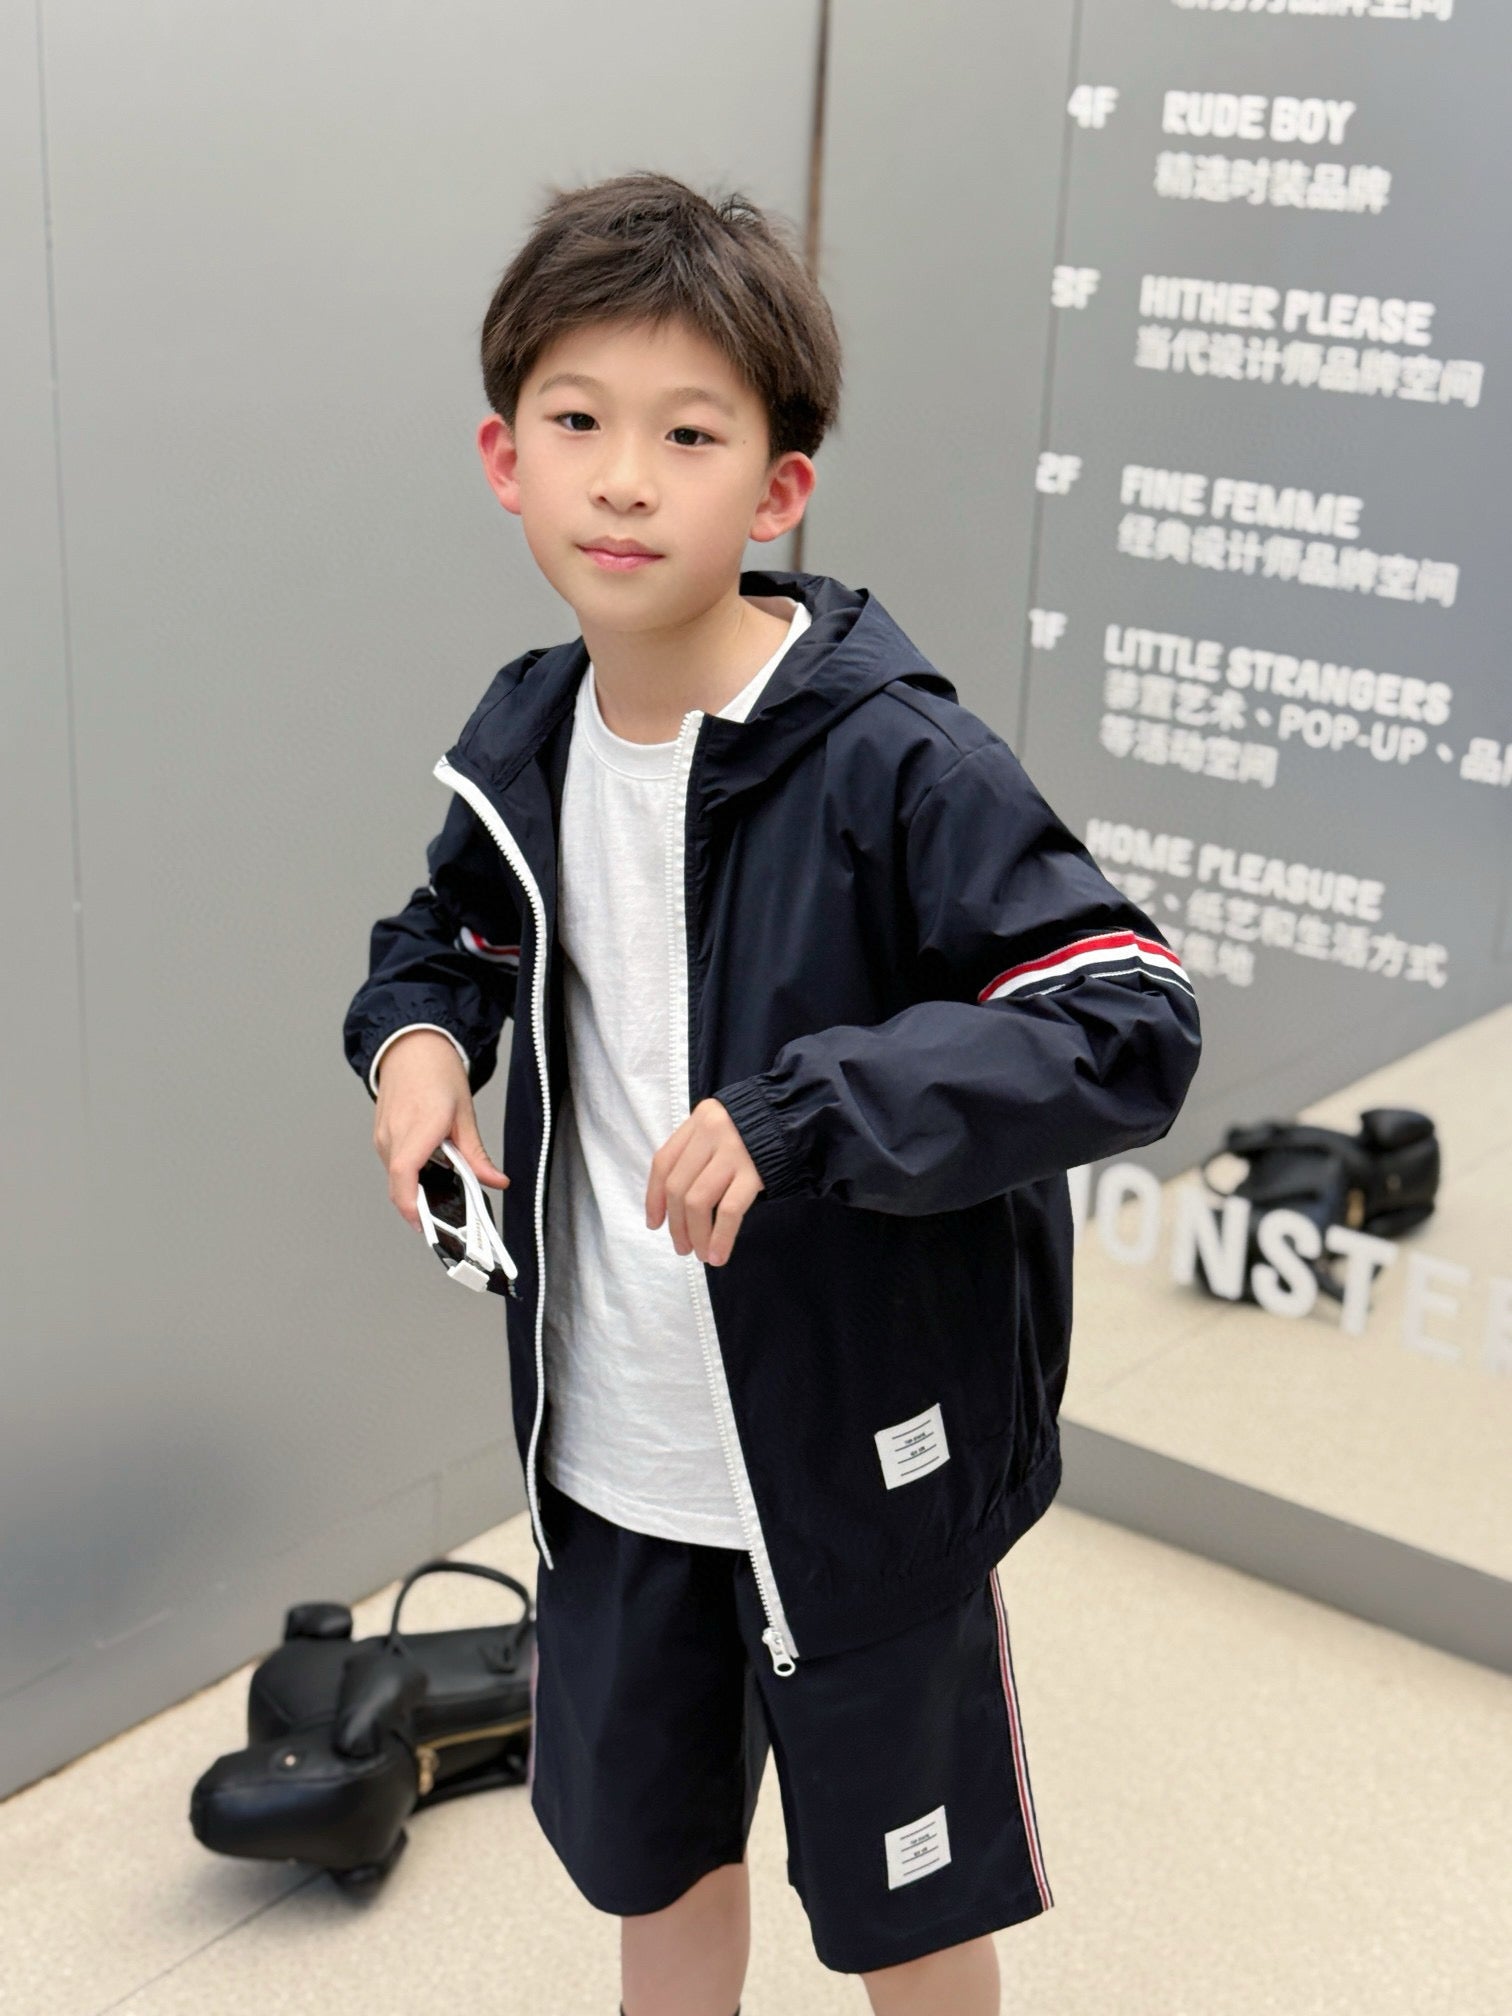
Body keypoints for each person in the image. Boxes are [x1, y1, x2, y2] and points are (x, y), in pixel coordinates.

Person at [343, 169, 1202, 2016]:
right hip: (612, 1459)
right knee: (659, 1881)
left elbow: (1127, 1017)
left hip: (857, 1467)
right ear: (505, 459)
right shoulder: (526, 736)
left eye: (688, 435)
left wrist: (808, 1110)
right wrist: (416, 1046)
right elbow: (449, 938)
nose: (623, 481)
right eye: (578, 423)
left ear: (779, 486)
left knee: (909, 1919)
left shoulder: (897, 759)